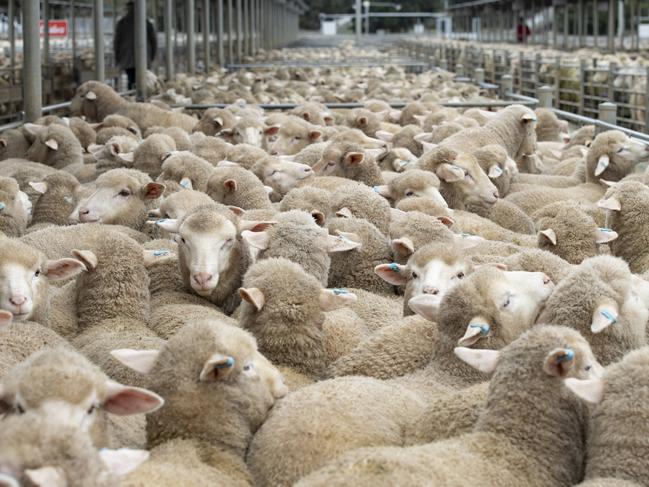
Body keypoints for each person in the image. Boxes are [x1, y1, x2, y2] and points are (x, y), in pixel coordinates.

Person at [114, 1, 157, 89]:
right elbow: (153, 41)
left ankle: (132, 97)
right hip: (144, 58)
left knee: (131, 80)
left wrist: (118, 58)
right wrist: (152, 56)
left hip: (127, 58)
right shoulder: (146, 22)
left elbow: (116, 42)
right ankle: (142, 97)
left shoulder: (122, 23)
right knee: (144, 81)